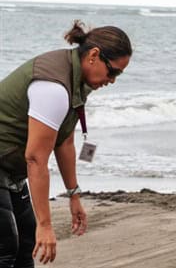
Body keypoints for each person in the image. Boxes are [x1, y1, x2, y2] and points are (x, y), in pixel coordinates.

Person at [0, 20, 132, 267]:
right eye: (112, 72)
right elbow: (36, 158)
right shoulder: (54, 86)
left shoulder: (77, 80)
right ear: (94, 55)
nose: (112, 80)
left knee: (27, 241)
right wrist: (46, 225)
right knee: (5, 246)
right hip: (6, 162)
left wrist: (74, 195)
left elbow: (64, 141)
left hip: (9, 168)